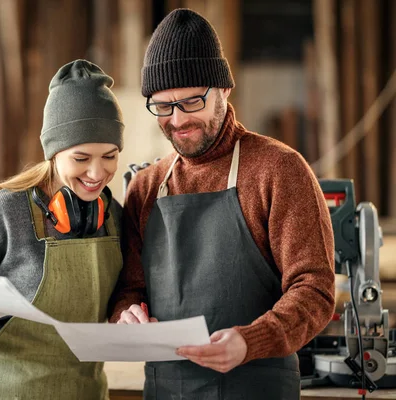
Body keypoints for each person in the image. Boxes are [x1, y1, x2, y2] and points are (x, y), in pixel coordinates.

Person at [108, 8, 335, 400]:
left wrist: (251, 341)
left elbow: (314, 290)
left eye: (192, 101)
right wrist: (125, 313)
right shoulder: (144, 188)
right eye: (163, 105)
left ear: (223, 90)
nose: (177, 120)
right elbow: (129, 289)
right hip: (167, 391)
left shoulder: (279, 170)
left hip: (257, 388)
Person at [0, 59, 125, 399]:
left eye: (109, 156)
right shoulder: (5, 211)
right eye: (81, 158)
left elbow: (127, 297)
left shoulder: (113, 218)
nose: (97, 173)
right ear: (53, 152)